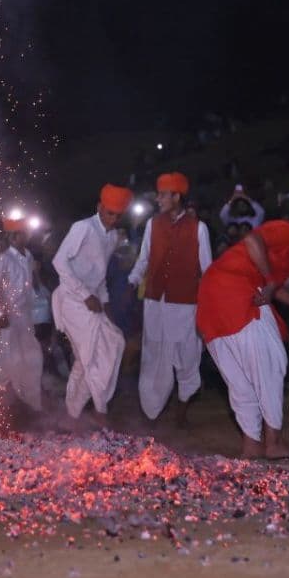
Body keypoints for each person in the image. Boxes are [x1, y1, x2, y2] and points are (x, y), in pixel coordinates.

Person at [196, 201, 289, 459]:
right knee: (271, 361)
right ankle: (274, 442)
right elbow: (252, 240)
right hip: (236, 292)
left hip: (212, 301)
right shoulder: (288, 230)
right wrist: (268, 282)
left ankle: (251, 444)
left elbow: (275, 288)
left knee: (241, 378)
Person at [126, 173, 212, 423]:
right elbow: (143, 258)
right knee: (153, 354)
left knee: (187, 356)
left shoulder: (200, 228)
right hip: (154, 301)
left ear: (177, 197)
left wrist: (209, 301)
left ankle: (183, 405)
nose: (158, 198)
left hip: (185, 304)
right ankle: (151, 411)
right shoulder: (153, 224)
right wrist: (131, 281)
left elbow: (207, 268)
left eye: (163, 194)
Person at [52, 185, 132, 423]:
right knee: (92, 357)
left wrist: (105, 306)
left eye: (118, 216)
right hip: (72, 300)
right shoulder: (83, 228)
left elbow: (100, 277)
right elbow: (59, 262)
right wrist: (85, 294)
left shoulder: (113, 237)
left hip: (93, 303)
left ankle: (72, 412)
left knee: (112, 344)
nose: (113, 219)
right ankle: (100, 411)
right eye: (109, 213)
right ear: (99, 207)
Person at [0, 214, 43, 418]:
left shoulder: (29, 256)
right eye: (23, 234)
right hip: (10, 317)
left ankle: (32, 404)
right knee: (6, 359)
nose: (27, 236)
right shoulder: (4, 258)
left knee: (32, 358)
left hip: (25, 317)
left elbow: (31, 288)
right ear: (14, 237)